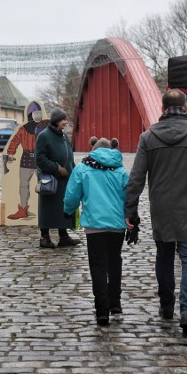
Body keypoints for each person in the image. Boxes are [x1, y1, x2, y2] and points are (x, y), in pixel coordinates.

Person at [125, 89, 187, 336]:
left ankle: (166, 307)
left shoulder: (148, 138)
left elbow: (136, 178)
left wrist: (131, 210)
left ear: (163, 108)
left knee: (164, 257)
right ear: (186, 106)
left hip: (162, 208)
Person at [63, 137, 129, 326]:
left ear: (93, 149)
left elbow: (72, 195)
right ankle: (115, 303)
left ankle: (102, 311)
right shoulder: (121, 170)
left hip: (94, 226)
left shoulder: (83, 169)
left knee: (98, 266)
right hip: (117, 226)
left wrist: (68, 211)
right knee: (115, 261)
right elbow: (129, 196)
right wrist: (129, 216)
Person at [35, 107, 80, 249]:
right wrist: (57, 168)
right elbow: (40, 159)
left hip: (66, 179)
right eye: (63, 120)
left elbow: (68, 155)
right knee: (47, 208)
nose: (66, 122)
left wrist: (74, 170)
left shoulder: (63, 135)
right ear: (56, 121)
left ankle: (64, 236)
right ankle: (44, 237)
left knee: (63, 207)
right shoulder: (44, 136)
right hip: (51, 179)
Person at [5, 101, 47, 220]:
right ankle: (23, 209)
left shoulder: (45, 128)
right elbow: (15, 141)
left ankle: (45, 210)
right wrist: (10, 153)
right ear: (30, 114)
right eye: (35, 113)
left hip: (41, 159)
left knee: (45, 184)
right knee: (24, 185)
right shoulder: (23, 129)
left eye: (39, 112)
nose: (37, 115)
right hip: (27, 159)